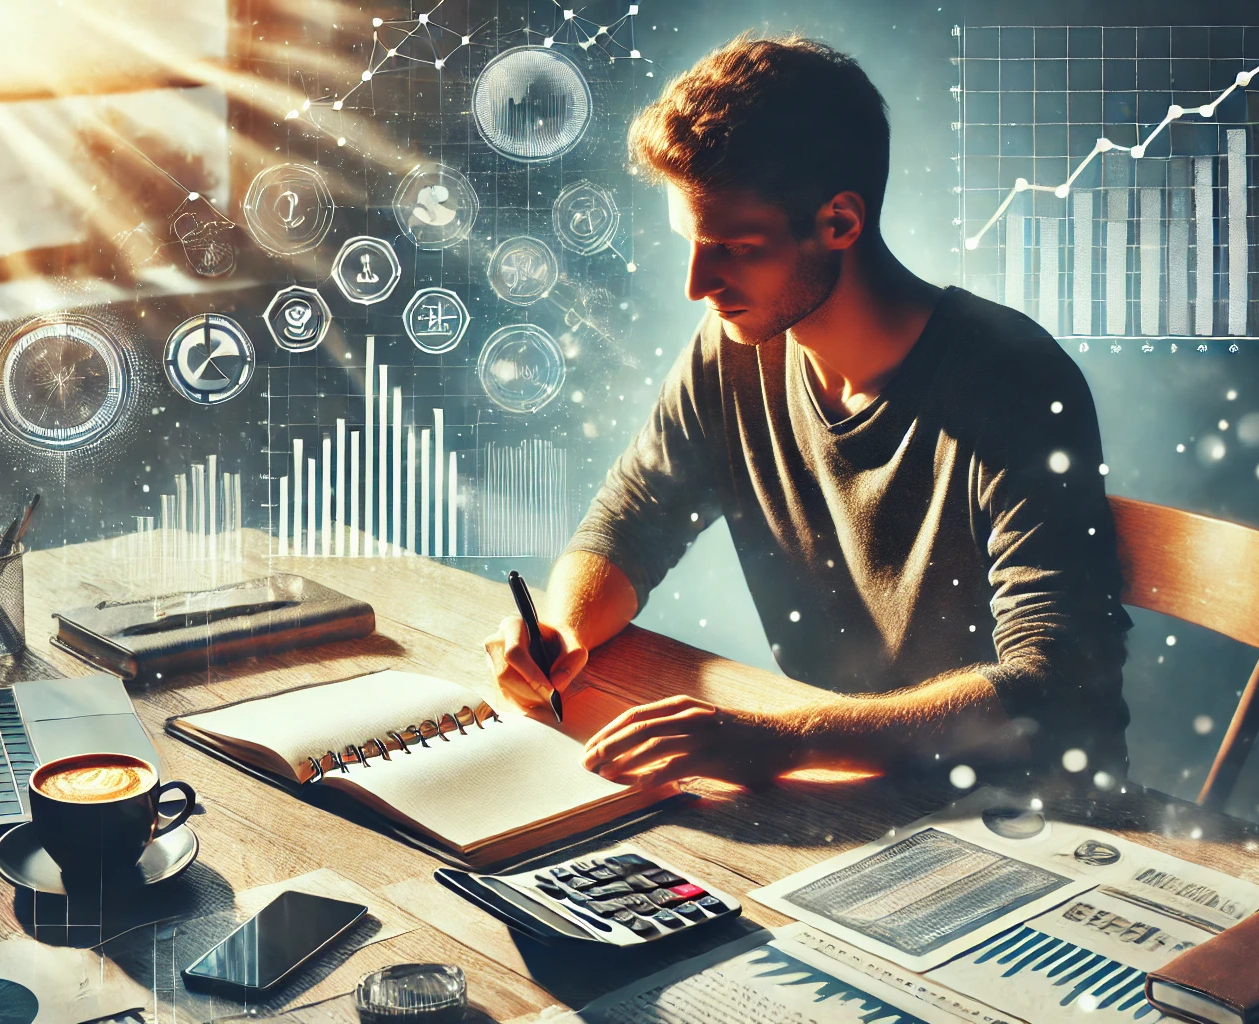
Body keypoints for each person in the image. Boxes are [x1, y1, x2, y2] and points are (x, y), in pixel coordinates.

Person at [484, 34, 1131, 792]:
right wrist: (562, 629)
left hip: (1025, 815)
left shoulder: (1013, 380)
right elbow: (635, 517)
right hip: (835, 790)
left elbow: (1049, 690)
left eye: (734, 246)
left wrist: (784, 741)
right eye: (690, 243)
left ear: (840, 223)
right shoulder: (730, 349)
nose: (699, 283)